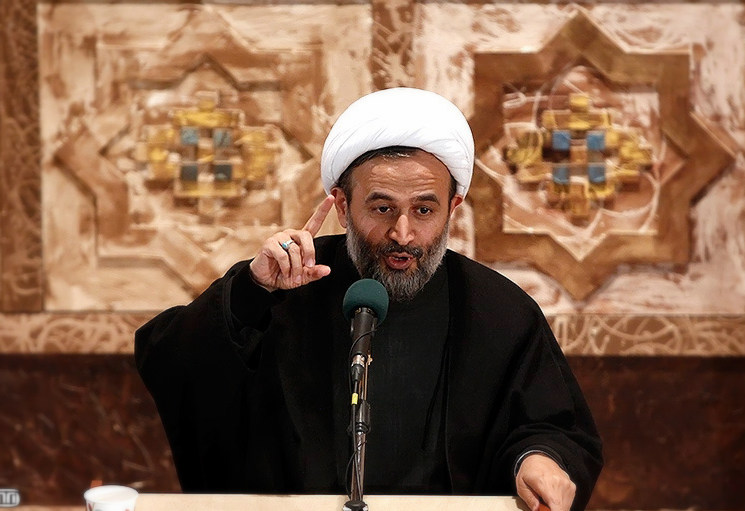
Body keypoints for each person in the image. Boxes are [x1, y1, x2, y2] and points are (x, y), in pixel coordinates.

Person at [135, 88, 602, 511]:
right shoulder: (288, 285)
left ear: (453, 208)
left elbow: (553, 427)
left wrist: (538, 458)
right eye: (382, 208)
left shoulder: (497, 311)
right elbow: (170, 362)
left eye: (424, 209)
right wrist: (249, 292)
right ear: (342, 206)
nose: (403, 233)